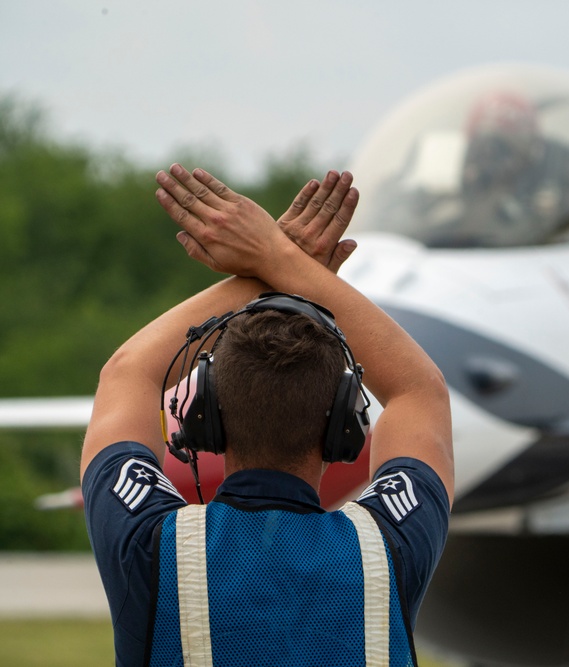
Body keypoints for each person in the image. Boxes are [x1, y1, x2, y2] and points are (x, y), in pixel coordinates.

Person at [81, 164, 453, 666]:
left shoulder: (147, 548)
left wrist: (266, 269)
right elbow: (418, 390)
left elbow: (127, 373)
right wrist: (285, 263)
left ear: (205, 414)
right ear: (342, 429)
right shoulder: (389, 549)